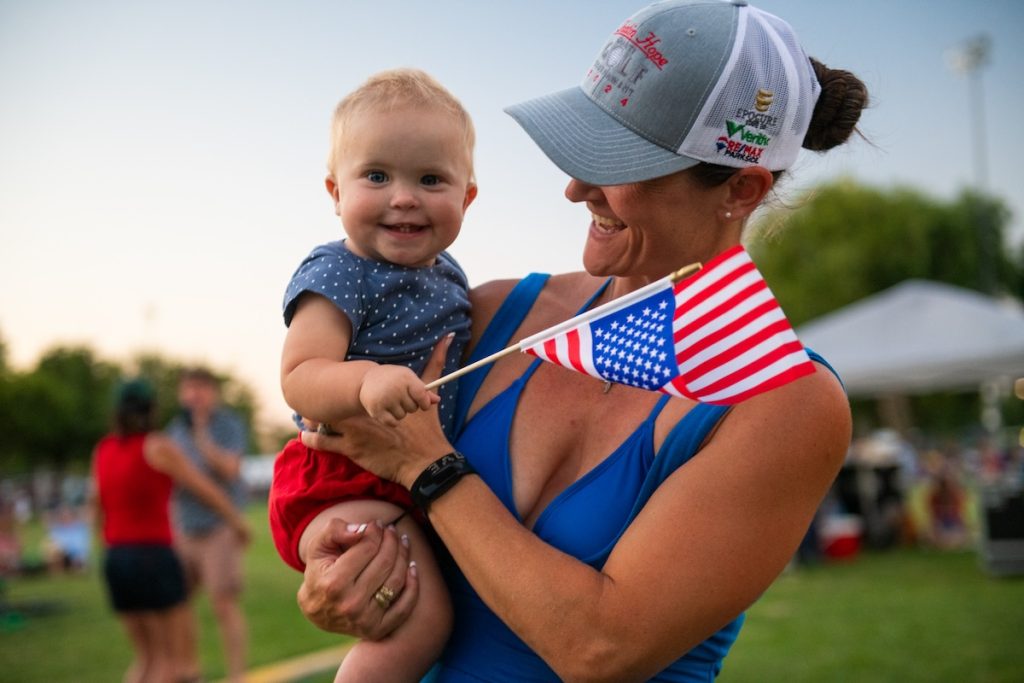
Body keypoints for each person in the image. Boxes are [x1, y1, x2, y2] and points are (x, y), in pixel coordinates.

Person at [293, 1, 867, 680]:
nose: (574, 188)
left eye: (615, 160)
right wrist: (341, 577)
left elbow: (602, 648)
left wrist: (430, 464)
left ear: (740, 189)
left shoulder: (784, 400)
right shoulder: (492, 311)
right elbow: (335, 456)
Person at [269, 67, 476, 682]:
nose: (404, 196)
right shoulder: (339, 270)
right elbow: (301, 375)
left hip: (407, 481)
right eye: (377, 176)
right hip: (338, 478)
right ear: (336, 191)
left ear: (467, 197)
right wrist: (364, 381)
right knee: (422, 619)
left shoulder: (451, 277)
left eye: (430, 179)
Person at [89, 379, 250, 683]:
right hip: (152, 556)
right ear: (151, 409)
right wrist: (237, 522)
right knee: (179, 665)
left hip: (115, 559)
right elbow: (206, 490)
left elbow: (95, 505)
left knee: (147, 660)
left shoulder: (103, 449)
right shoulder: (158, 445)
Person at [166, 367, 250, 682]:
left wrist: (202, 438)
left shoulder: (228, 425)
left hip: (219, 527)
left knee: (223, 603)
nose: (194, 395)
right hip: (183, 528)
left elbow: (230, 470)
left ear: (213, 392)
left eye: (200, 388)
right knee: (177, 606)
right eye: (188, 389)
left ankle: (236, 675)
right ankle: (188, 672)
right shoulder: (174, 429)